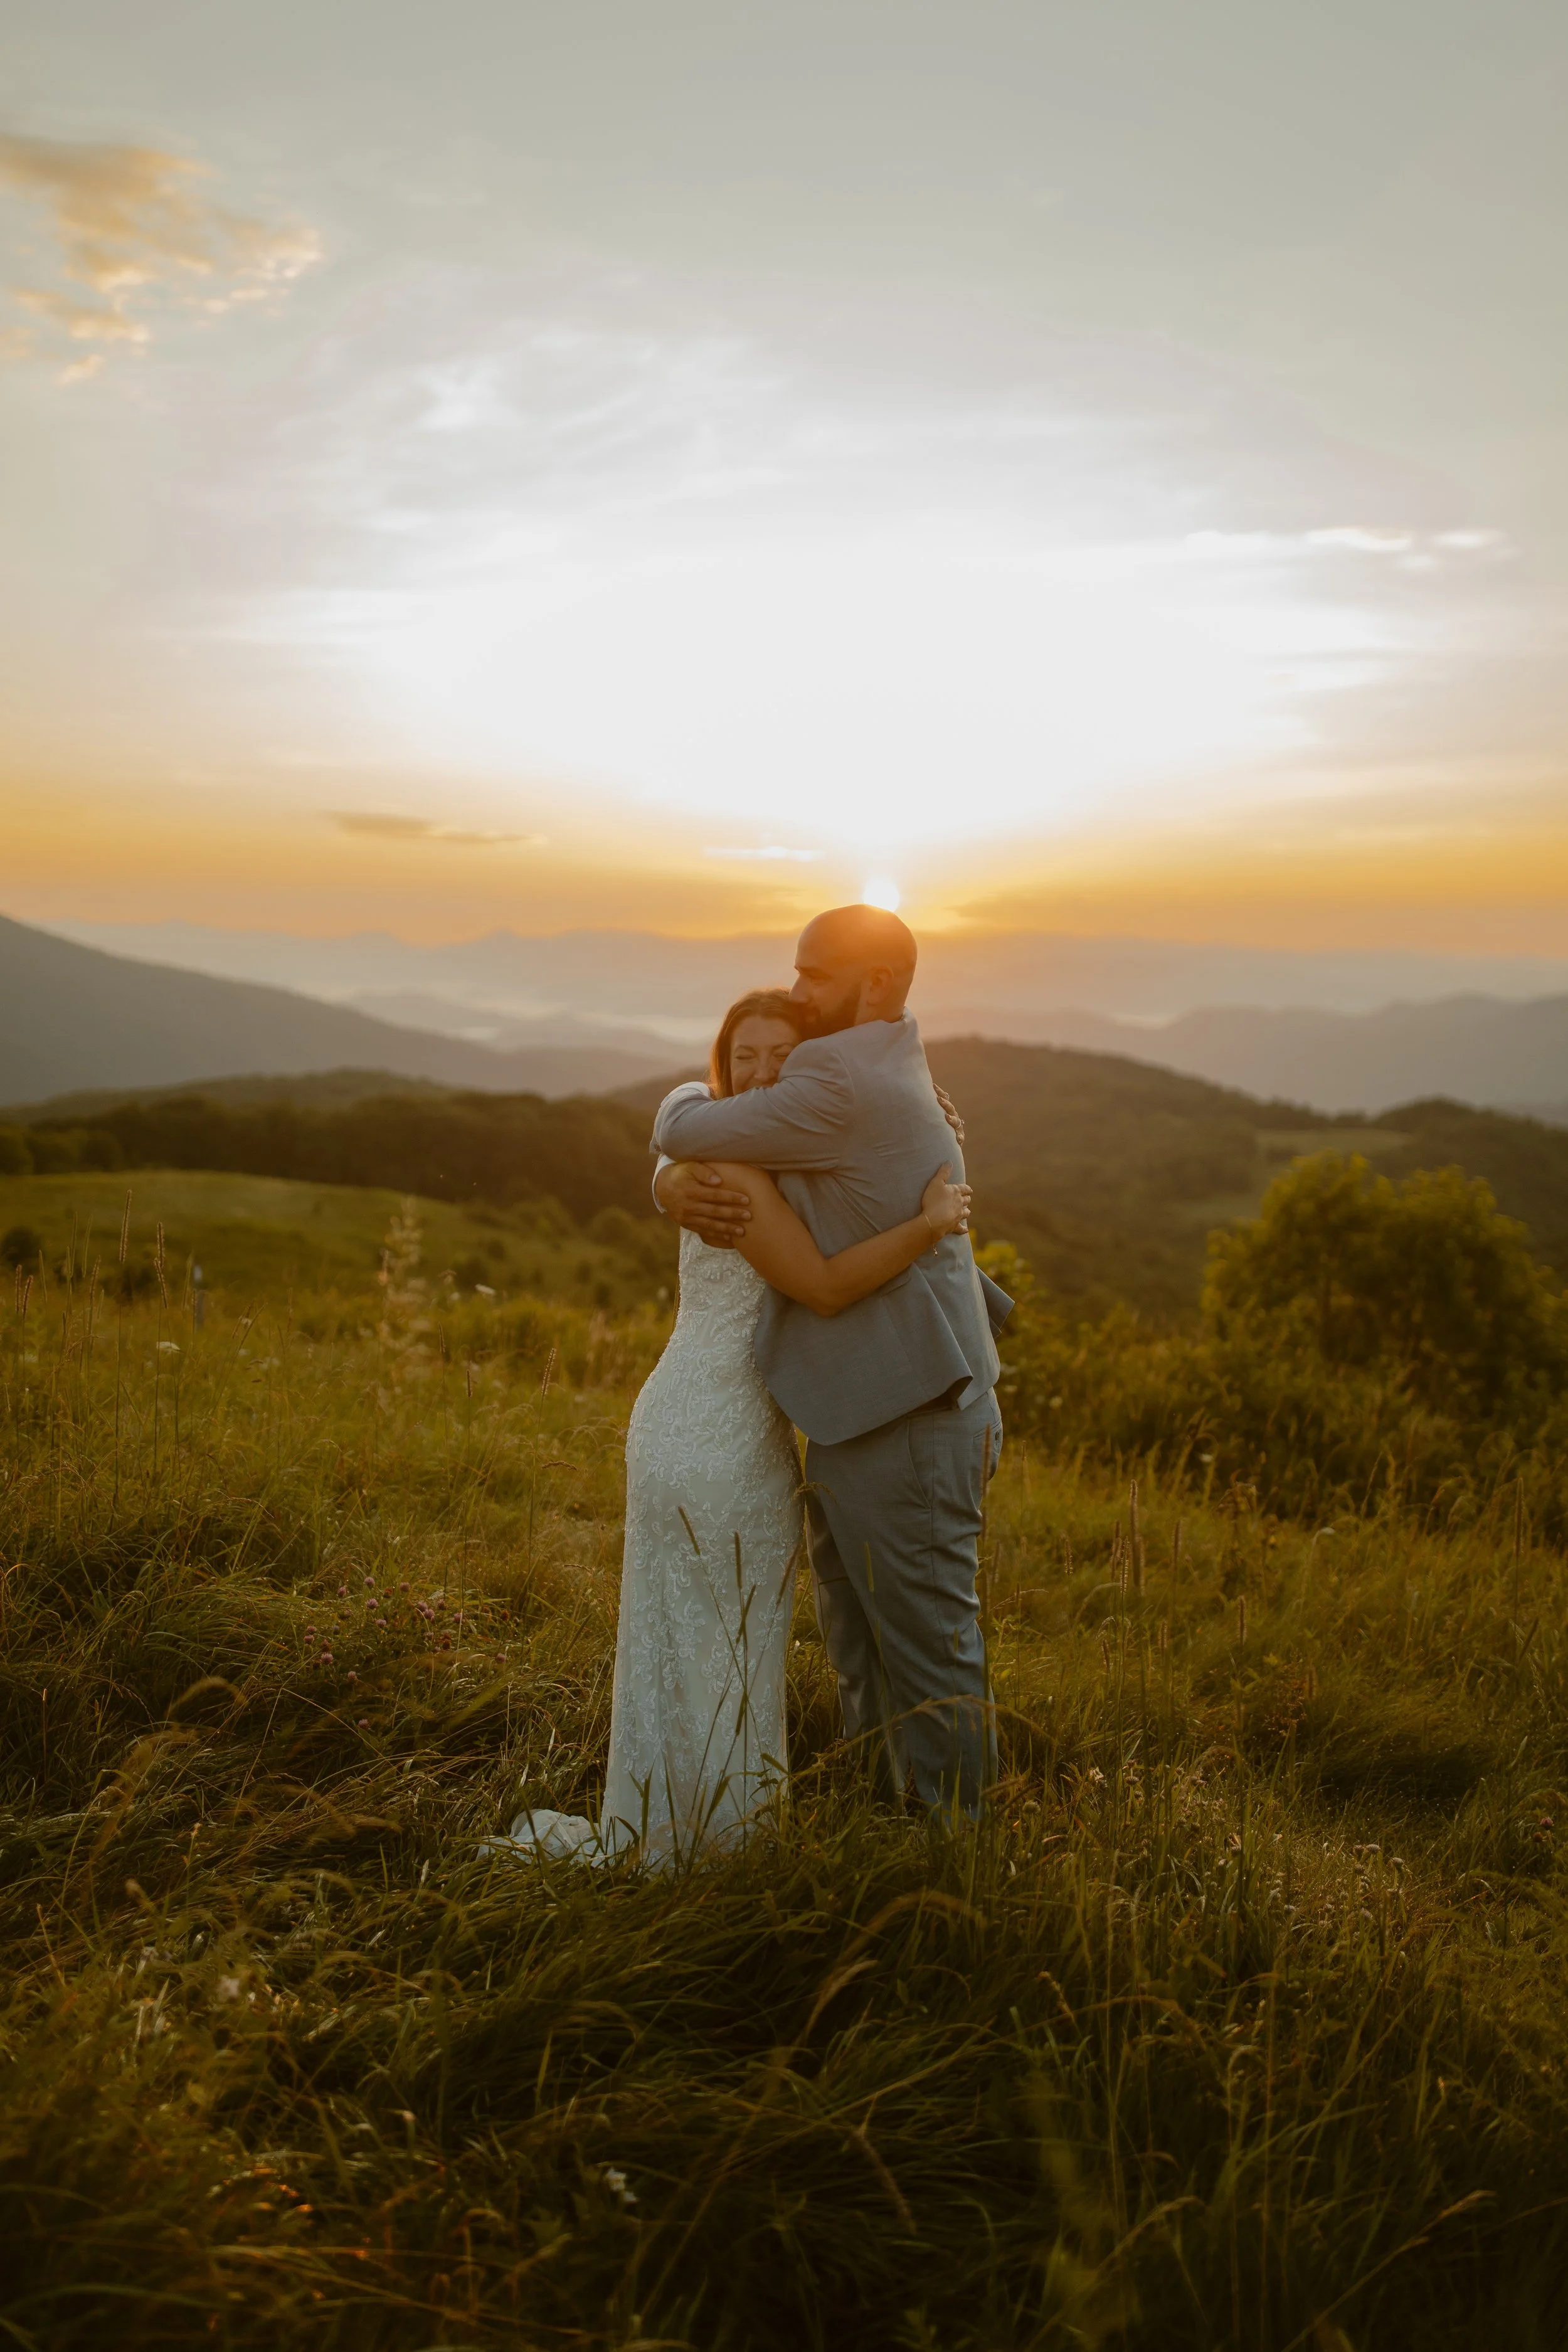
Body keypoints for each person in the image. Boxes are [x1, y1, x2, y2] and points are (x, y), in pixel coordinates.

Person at [485, 985, 973, 1867]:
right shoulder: (732, 1164)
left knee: (686, 1632)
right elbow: (821, 1286)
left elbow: (732, 1135)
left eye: (781, 1056)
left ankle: (673, 1820)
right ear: (721, 1061)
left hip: (682, 1423)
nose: (760, 1071)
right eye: (744, 1054)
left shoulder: (778, 1152)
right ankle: (716, 1848)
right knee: (727, 1635)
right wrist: (925, 1223)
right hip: (722, 1437)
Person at [652, 906, 1012, 1825]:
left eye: (816, 974)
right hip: (870, 1408)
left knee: (928, 1653)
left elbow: (694, 1129)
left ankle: (954, 1862)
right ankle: (885, 1829)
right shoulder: (887, 1056)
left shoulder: (838, 1076)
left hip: (912, 1415)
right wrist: (667, 1183)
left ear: (880, 983)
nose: (802, 991)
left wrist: (669, 1153)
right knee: (865, 1643)